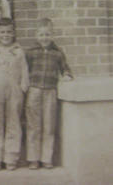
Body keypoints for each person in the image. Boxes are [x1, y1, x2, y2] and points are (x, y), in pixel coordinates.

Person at [25, 18, 73, 170]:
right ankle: (33, 158)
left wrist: (66, 75)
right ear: (36, 35)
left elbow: (65, 69)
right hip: (34, 90)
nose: (44, 38)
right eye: (41, 34)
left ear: (52, 35)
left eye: (47, 34)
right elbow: (24, 71)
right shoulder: (31, 52)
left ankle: (47, 158)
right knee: (34, 125)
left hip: (50, 91)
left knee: (49, 125)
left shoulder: (57, 53)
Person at [0, 18, 29, 171]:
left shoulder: (18, 51)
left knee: (13, 122)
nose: (6, 35)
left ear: (14, 33)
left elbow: (24, 71)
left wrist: (23, 88)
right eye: (2, 32)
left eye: (9, 32)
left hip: (14, 91)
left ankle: (11, 157)